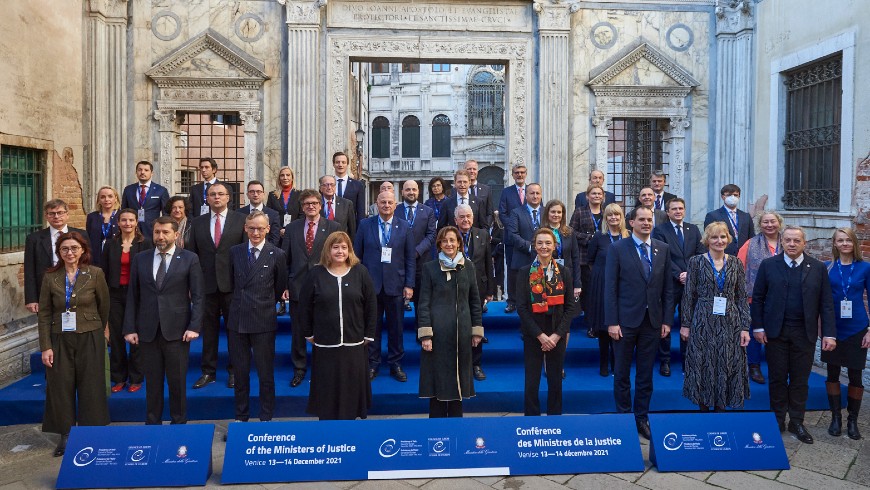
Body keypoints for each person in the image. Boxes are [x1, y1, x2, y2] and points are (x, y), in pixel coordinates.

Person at [751, 225, 836, 444]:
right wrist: (758, 327)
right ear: (782, 242)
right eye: (787, 240)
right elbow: (758, 298)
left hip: (804, 333)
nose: (791, 244)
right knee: (777, 378)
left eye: (796, 241)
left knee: (800, 379)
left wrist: (829, 334)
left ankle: (797, 421)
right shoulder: (769, 265)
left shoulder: (817, 268)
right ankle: (777, 420)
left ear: (803, 243)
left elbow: (826, 303)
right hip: (775, 333)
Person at [124, 217, 204, 425]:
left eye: (165, 232)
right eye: (157, 232)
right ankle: (153, 424)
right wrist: (130, 328)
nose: (160, 236)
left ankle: (179, 423)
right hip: (148, 330)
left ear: (176, 235)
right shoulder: (140, 259)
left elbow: (198, 296)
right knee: (152, 382)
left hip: (177, 332)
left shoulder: (189, 258)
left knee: (177, 382)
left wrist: (194, 326)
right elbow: (133, 295)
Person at [37, 231, 110, 456]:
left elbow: (104, 306)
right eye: (65, 249)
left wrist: (101, 331)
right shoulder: (50, 277)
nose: (70, 252)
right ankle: (66, 434)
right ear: (59, 252)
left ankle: (91, 432)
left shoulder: (95, 273)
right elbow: (45, 314)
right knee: (60, 385)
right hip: (59, 338)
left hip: (90, 335)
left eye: (74, 248)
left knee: (91, 385)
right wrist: (45, 346)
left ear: (83, 251)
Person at [605, 206, 674, 440]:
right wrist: (612, 322)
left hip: (652, 322)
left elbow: (667, 288)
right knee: (622, 373)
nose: (646, 223)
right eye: (641, 219)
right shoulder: (617, 249)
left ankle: (641, 417)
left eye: (649, 219)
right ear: (631, 222)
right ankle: (623, 418)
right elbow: (610, 288)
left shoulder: (662, 249)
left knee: (645, 375)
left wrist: (666, 320)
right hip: (624, 322)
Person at [300, 232, 377, 420]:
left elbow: (371, 305)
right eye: (336, 247)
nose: (340, 251)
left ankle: (349, 429)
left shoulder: (361, 272)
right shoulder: (315, 274)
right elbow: (304, 306)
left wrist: (368, 333)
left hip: (354, 343)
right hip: (326, 344)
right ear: (328, 249)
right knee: (328, 390)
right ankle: (328, 430)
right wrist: (308, 333)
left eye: (344, 247)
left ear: (349, 250)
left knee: (351, 388)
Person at [681, 222, 751, 411]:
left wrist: (745, 327)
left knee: (726, 362)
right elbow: (688, 295)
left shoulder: (736, 262)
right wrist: (685, 324)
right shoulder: (696, 262)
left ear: (728, 239)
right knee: (703, 363)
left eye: (722, 237)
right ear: (707, 240)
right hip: (703, 318)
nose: (719, 241)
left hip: (730, 320)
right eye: (714, 237)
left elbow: (741, 296)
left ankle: (721, 408)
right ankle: (704, 408)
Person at [226, 211, 288, 425]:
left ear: (268, 229)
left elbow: (279, 286)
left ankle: (265, 417)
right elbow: (229, 283)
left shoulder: (277, 254)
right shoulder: (234, 252)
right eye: (251, 228)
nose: (255, 232)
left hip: (263, 320)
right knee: (240, 375)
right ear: (245, 228)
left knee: (265, 374)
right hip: (238, 321)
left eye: (260, 228)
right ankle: (241, 417)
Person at [418, 226, 484, 417]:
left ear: (459, 244)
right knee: (437, 383)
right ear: (439, 244)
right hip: (437, 336)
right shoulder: (429, 268)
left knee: (458, 386)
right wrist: (426, 334)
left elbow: (474, 301)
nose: (449, 244)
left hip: (461, 334)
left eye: (452, 240)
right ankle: (437, 433)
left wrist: (476, 330)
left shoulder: (468, 267)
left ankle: (457, 430)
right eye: (445, 241)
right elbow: (423, 303)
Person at [187, 182, 247, 389]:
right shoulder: (197, 222)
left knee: (234, 332)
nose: (216, 197)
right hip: (206, 286)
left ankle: (234, 371)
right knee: (209, 332)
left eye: (221, 194)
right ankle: (208, 372)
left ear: (229, 197)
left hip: (233, 286)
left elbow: (245, 254)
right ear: (207, 198)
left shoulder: (241, 220)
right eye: (212, 194)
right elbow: (192, 256)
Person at [282, 189, 342, 387]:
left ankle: (323, 368)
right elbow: (285, 259)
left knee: (324, 329)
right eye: (307, 203)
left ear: (320, 205)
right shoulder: (292, 228)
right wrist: (285, 285)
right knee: (299, 332)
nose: (310, 206)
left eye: (314, 203)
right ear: (302, 206)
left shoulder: (334, 227)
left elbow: (338, 259)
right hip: (298, 287)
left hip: (325, 288)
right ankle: (299, 368)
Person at [354, 191, 416, 382]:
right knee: (372, 327)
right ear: (376, 203)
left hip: (396, 286)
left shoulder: (404, 227)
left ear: (395, 205)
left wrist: (409, 284)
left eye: (390, 202)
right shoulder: (365, 225)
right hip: (370, 286)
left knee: (396, 328)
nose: (386, 205)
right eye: (383, 202)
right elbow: (357, 256)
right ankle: (372, 364)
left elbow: (410, 259)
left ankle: (395, 364)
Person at [517, 228, 578, 416]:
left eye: (548, 243)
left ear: (555, 246)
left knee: (555, 382)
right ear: (534, 246)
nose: (544, 247)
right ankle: (531, 421)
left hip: (556, 333)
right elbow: (521, 307)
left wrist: (557, 335)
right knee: (532, 382)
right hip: (534, 333)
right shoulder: (524, 272)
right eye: (540, 243)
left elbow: (570, 307)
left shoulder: (565, 272)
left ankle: (554, 421)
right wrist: (541, 336)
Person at [823, 227, 870, 440]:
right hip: (833, 329)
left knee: (855, 374)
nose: (844, 244)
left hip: (857, 328)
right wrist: (822, 330)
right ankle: (836, 417)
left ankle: (852, 420)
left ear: (854, 244)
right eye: (840, 240)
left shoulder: (865, 268)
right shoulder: (826, 268)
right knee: (832, 373)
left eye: (848, 240)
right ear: (834, 244)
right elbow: (820, 301)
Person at [652, 197, 706, 377]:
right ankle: (665, 361)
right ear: (667, 212)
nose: (678, 211)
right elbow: (661, 255)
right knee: (666, 321)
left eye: (681, 208)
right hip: (669, 283)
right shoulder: (660, 230)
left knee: (688, 321)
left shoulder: (693, 229)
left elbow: (700, 253)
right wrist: (678, 274)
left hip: (692, 283)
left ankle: (687, 360)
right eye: (674, 209)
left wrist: (690, 273)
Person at [101, 208, 152, 394]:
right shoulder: (110, 244)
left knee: (135, 336)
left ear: (136, 222)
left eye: (131, 220)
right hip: (115, 294)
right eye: (124, 220)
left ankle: (136, 377)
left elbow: (149, 270)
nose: (127, 223)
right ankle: (119, 377)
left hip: (137, 295)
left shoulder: (145, 243)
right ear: (118, 222)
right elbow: (103, 270)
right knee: (116, 337)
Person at [737, 210, 784, 384]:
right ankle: (754, 366)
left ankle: (778, 366)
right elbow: (739, 268)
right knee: (754, 330)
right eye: (765, 222)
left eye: (773, 221)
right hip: (754, 297)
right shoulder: (751, 244)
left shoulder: (788, 242)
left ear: (779, 223)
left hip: (782, 298)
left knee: (779, 331)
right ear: (760, 225)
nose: (769, 225)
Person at [587, 203, 629, 376]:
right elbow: (590, 260)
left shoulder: (627, 237)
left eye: (617, 215)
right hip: (602, 286)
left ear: (621, 218)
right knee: (605, 328)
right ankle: (604, 365)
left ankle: (616, 364)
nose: (613, 218)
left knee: (620, 327)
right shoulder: (599, 236)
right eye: (610, 215)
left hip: (623, 286)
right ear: (606, 218)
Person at [24, 199, 88, 314]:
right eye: (52, 213)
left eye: (60, 213)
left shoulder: (81, 234)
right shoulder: (34, 239)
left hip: (77, 287)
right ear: (46, 216)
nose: (56, 216)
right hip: (47, 290)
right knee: (48, 326)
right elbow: (29, 270)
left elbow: (88, 261)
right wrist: (31, 299)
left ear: (67, 215)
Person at [454, 204, 495, 380]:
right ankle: (457, 364)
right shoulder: (450, 236)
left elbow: (488, 263)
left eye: (468, 216)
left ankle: (476, 364)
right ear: (455, 220)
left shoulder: (482, 235)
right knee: (456, 327)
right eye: (462, 217)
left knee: (476, 326)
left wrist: (490, 290)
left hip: (478, 287)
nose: (466, 220)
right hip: (454, 288)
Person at [544, 199, 582, 378]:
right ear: (547, 214)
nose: (556, 215)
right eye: (553, 212)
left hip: (566, 282)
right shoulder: (541, 232)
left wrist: (577, 284)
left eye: (559, 212)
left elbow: (575, 258)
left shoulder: (569, 233)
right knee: (545, 321)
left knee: (564, 323)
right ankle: (546, 362)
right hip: (544, 282)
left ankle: (558, 363)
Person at [396, 180, 437, 313]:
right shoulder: (395, 210)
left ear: (418, 191)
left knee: (422, 304)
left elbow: (431, 235)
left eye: (414, 189)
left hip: (422, 262)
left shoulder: (428, 211)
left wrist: (417, 251)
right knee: (397, 304)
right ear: (402, 192)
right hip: (399, 263)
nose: (411, 192)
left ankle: (421, 332)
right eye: (408, 190)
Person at [568, 185, 603, 334]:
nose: (596, 196)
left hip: (601, 258)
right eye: (593, 193)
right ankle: (590, 325)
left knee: (599, 294)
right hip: (584, 258)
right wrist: (590, 238)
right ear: (587, 196)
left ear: (603, 196)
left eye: (599, 194)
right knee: (588, 293)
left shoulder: (607, 212)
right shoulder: (580, 211)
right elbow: (571, 231)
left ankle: (598, 323)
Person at [505, 183, 544, 314]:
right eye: (532, 193)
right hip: (522, 256)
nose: (535, 196)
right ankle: (512, 302)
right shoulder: (516, 212)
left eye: (537, 193)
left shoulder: (547, 212)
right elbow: (512, 234)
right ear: (526, 195)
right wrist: (529, 246)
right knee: (520, 294)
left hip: (543, 259)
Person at [499, 164, 527, 312]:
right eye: (517, 172)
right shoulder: (506, 192)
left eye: (522, 172)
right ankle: (512, 301)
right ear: (513, 174)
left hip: (529, 239)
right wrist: (514, 228)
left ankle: (528, 300)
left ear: (526, 174)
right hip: (511, 239)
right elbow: (502, 214)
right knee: (511, 270)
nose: (519, 175)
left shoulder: (533, 191)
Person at [120, 160, 170, 237]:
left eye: (146, 170)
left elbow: (166, 213)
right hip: (132, 229)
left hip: (152, 230)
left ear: (152, 173)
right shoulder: (128, 189)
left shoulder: (161, 190)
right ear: (136, 172)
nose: (142, 172)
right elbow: (124, 210)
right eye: (140, 170)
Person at [704, 183, 754, 256]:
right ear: (723, 197)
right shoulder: (713, 215)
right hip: (722, 255)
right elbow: (708, 238)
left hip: (743, 256)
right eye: (729, 195)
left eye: (735, 195)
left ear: (739, 196)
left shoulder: (746, 216)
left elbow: (751, 237)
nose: (733, 197)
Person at [85, 185, 120, 266]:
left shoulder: (122, 216)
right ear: (98, 200)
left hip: (116, 257)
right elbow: (88, 237)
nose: (106, 199)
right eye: (103, 197)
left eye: (110, 196)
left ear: (116, 199)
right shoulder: (92, 217)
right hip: (96, 257)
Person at [239, 180, 281, 245]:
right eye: (252, 192)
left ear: (263, 194)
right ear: (247, 195)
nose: (255, 195)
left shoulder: (273, 215)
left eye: (259, 192)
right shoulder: (239, 213)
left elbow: (274, 238)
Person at [332, 151, 366, 226]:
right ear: (333, 164)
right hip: (330, 226)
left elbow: (360, 211)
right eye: (337, 162)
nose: (340, 165)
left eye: (343, 162)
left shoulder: (357, 185)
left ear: (347, 164)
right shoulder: (327, 185)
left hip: (350, 227)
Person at [266, 167, 303, 235]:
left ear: (292, 177)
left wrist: (290, 229)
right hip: (277, 233)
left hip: (295, 232)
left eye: (288, 175)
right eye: (282, 175)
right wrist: (279, 229)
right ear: (279, 178)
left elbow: (302, 215)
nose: (285, 178)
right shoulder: (272, 195)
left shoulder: (300, 194)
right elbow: (269, 215)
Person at [319, 175, 357, 241]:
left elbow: (352, 230)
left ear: (335, 187)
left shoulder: (347, 204)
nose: (329, 187)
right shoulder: (316, 204)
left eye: (332, 185)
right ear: (320, 188)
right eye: (326, 185)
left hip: (340, 243)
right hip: (321, 244)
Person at [464, 160, 493, 228]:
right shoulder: (457, 190)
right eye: (469, 169)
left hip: (481, 230)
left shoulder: (486, 190)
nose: (472, 171)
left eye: (474, 169)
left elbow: (490, 213)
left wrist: (485, 229)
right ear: (464, 171)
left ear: (477, 171)